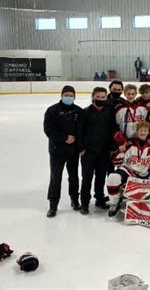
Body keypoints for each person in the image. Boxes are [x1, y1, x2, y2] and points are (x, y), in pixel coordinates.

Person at [106, 121, 150, 217]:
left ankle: (149, 205)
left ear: (148, 132)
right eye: (141, 130)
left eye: (145, 130)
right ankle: (114, 203)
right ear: (137, 131)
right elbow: (115, 161)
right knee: (113, 177)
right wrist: (119, 151)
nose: (142, 132)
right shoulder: (129, 144)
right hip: (129, 171)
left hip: (144, 174)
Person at [43, 85, 83, 217]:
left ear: (74, 97)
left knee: (74, 177)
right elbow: (48, 129)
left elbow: (82, 131)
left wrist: (80, 146)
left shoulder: (78, 111)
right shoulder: (52, 110)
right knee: (56, 178)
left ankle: (75, 200)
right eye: (66, 95)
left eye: (71, 95)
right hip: (57, 151)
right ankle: (53, 205)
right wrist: (64, 138)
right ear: (61, 95)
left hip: (73, 151)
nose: (68, 97)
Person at [77, 87, 118, 214]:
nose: (100, 99)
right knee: (87, 178)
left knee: (100, 177)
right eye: (98, 97)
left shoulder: (110, 112)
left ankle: (99, 199)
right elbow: (79, 132)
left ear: (106, 98)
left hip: (104, 151)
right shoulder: (85, 112)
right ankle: (84, 203)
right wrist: (81, 148)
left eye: (103, 97)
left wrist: (112, 148)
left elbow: (113, 130)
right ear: (93, 97)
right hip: (88, 152)